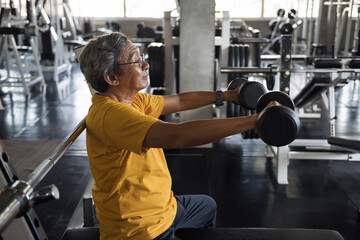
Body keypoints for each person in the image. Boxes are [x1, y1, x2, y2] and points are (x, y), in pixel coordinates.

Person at [79, 32, 273, 240]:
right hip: (139, 229)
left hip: (164, 209)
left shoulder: (134, 101)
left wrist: (227, 96)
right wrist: (256, 121)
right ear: (112, 78)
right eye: (136, 60)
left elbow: (180, 101)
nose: (146, 65)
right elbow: (177, 136)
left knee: (206, 206)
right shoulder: (112, 115)